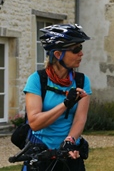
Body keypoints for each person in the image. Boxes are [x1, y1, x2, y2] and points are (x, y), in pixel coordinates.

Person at [23, 23, 92, 170]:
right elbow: (34, 122)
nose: (81, 54)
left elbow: (80, 119)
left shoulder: (81, 81)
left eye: (81, 48)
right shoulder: (37, 80)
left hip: (70, 153)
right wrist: (66, 104)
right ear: (58, 54)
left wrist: (70, 141)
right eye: (76, 49)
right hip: (41, 154)